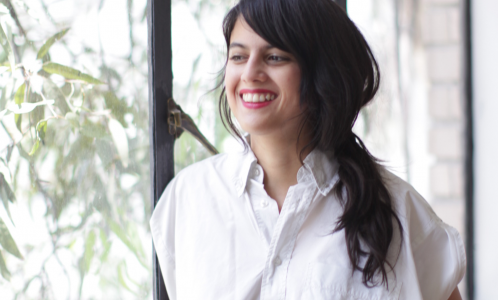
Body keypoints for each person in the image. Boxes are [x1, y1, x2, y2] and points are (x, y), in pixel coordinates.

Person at [150, 0, 466, 299]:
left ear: (321, 73)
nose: (249, 74)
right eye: (238, 56)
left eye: (274, 57)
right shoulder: (187, 200)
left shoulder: (395, 208)